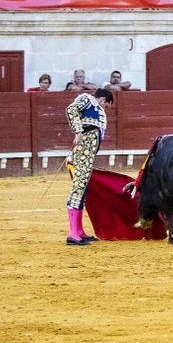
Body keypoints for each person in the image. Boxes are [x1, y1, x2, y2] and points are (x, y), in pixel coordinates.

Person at [62, 86, 113, 246]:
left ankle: (79, 231)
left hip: (88, 156)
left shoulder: (95, 107)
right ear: (103, 100)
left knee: (82, 191)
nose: (105, 109)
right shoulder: (87, 99)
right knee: (78, 189)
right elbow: (71, 109)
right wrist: (77, 131)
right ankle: (73, 234)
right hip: (82, 154)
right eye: (106, 105)